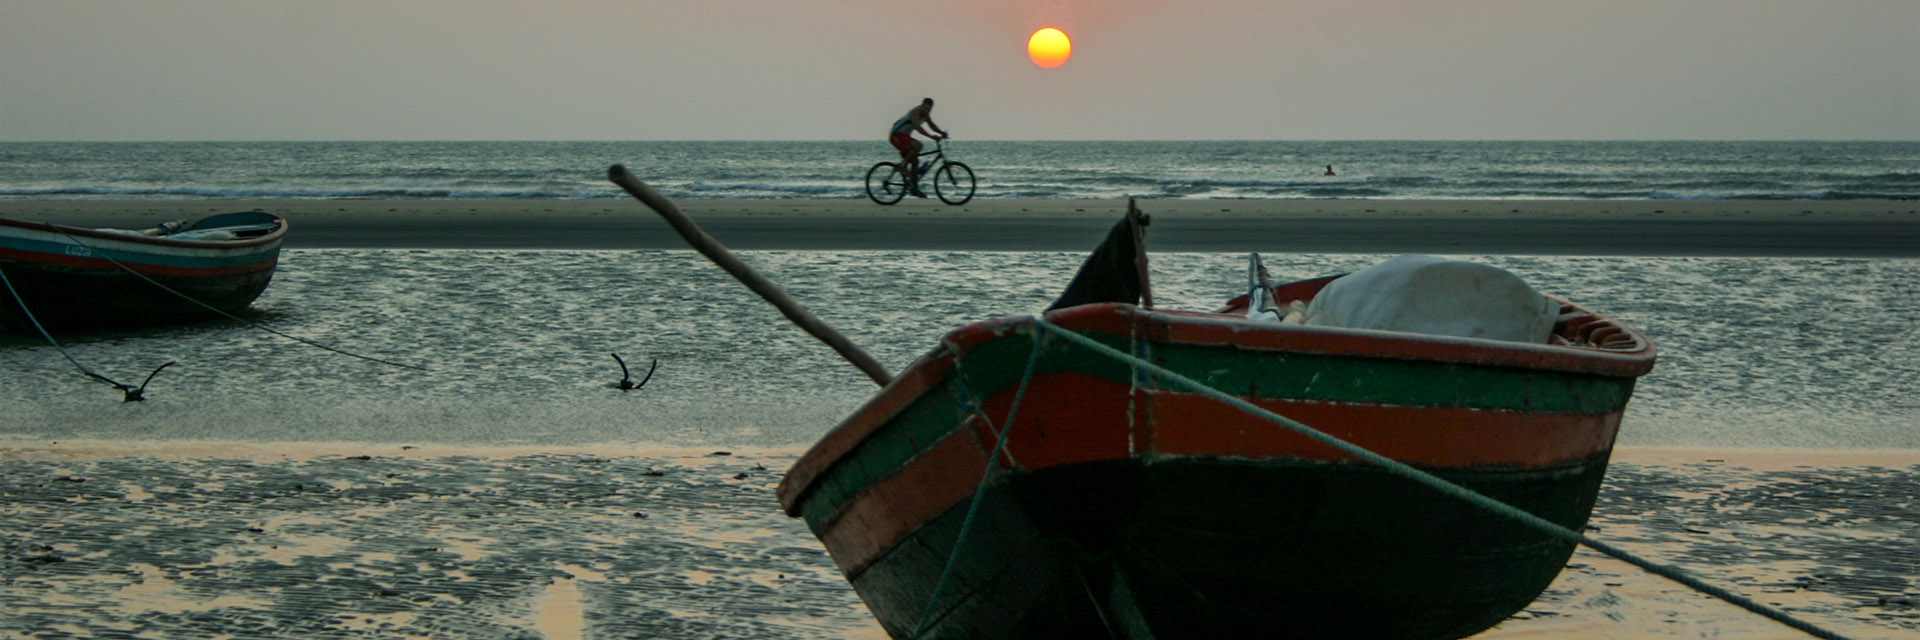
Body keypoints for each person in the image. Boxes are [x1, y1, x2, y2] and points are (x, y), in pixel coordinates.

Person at [889, 98, 947, 197]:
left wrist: (941, 133)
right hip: (896, 135)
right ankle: (903, 166)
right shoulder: (915, 112)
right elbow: (917, 127)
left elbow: (932, 125)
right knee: (918, 145)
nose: (926, 110)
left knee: (915, 162)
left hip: (904, 136)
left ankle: (914, 188)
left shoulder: (925, 115)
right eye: (925, 108)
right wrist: (931, 136)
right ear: (922, 105)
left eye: (929, 109)